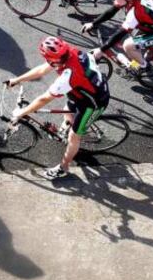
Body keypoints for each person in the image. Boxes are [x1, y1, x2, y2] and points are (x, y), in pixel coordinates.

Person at [6, 36, 109, 180]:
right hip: (83, 92)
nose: (49, 63)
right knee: (67, 108)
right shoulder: (67, 53)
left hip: (94, 103)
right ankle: (70, 126)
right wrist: (17, 80)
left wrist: (22, 113)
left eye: (50, 60)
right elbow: (42, 70)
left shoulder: (68, 74)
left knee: (74, 136)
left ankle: (64, 166)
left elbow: (44, 98)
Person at [82, 0, 153, 70]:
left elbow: (120, 33)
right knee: (134, 43)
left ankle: (144, 66)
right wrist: (93, 23)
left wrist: (101, 50)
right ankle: (144, 56)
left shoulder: (136, 12)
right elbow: (111, 12)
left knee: (128, 45)